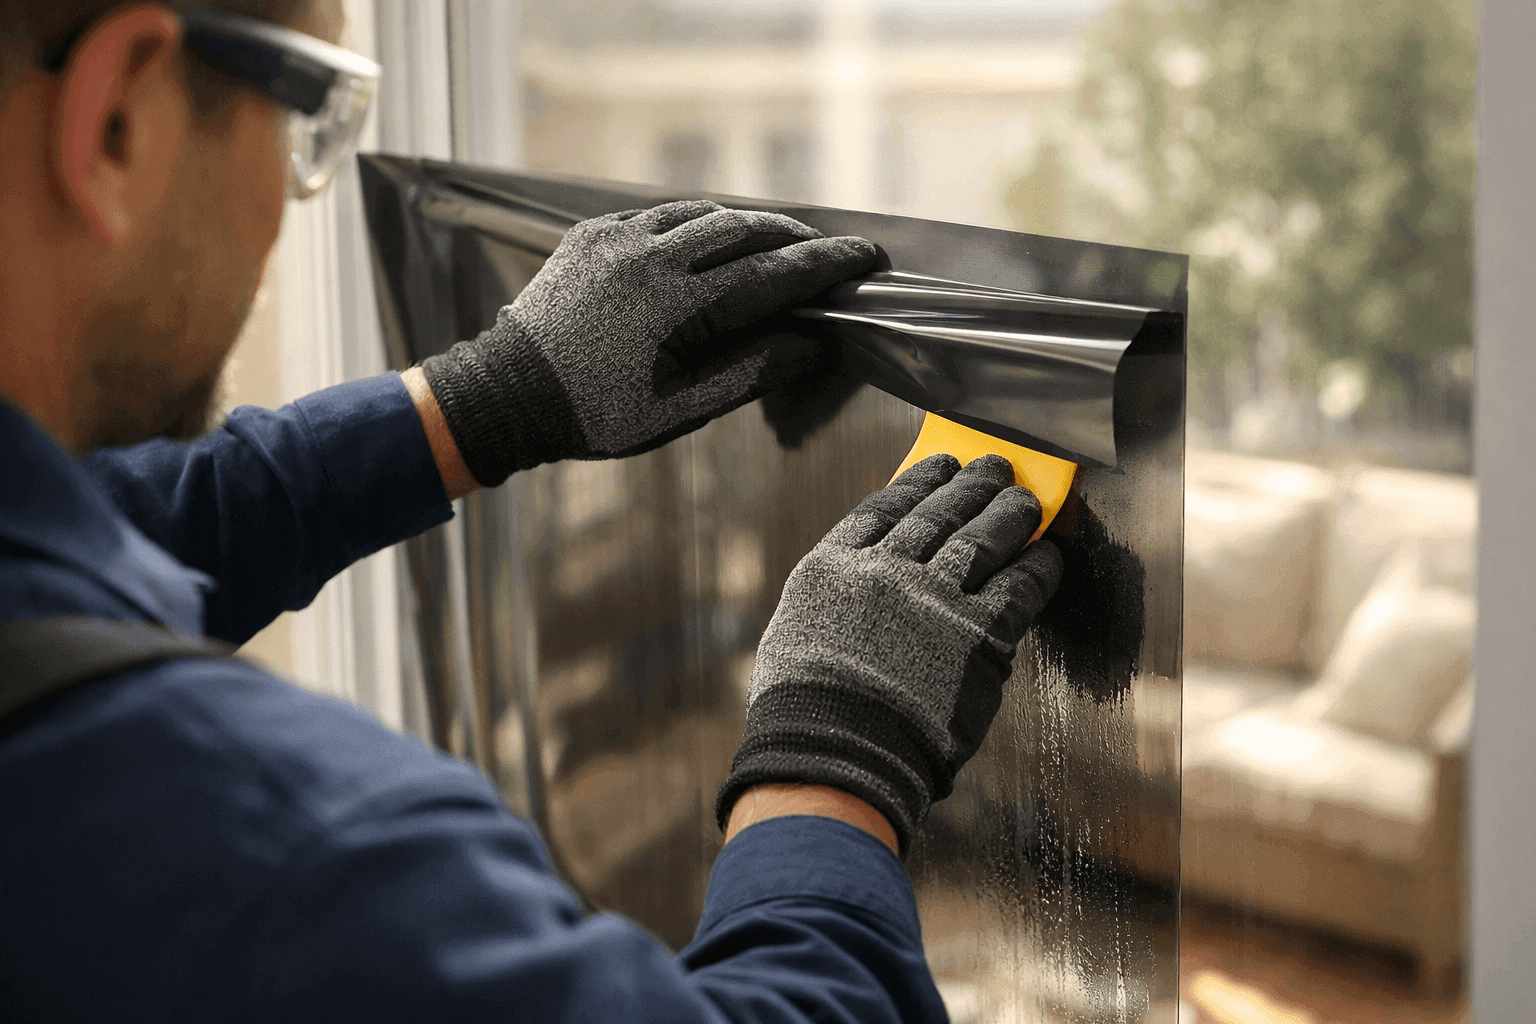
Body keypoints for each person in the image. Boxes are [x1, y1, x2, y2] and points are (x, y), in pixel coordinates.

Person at [0, 2, 1064, 1021]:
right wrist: (838, 749)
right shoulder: (278, 855)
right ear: (115, 117)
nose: (296, 192)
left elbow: (58, 552)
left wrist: (485, 402)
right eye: (303, 106)